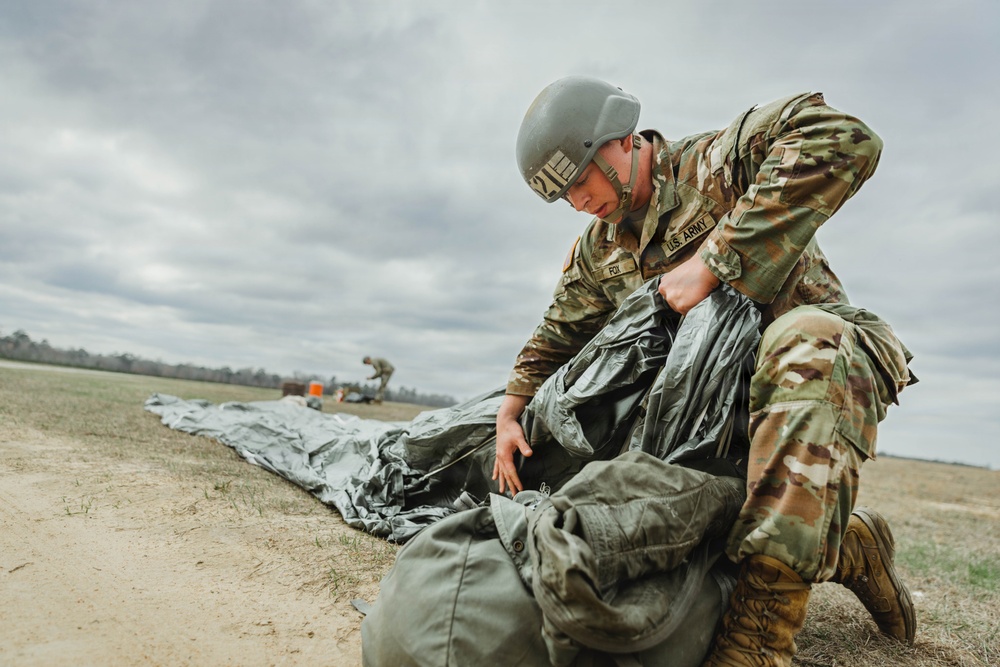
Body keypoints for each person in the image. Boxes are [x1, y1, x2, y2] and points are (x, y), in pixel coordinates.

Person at [494, 76, 917, 666]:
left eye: (581, 180)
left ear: (621, 141)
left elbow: (843, 138)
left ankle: (758, 640)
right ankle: (850, 548)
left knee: (802, 343)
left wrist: (715, 261)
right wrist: (511, 409)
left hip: (810, 382)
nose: (579, 202)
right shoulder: (601, 246)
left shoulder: (713, 164)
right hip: (708, 430)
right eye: (564, 196)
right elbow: (559, 330)